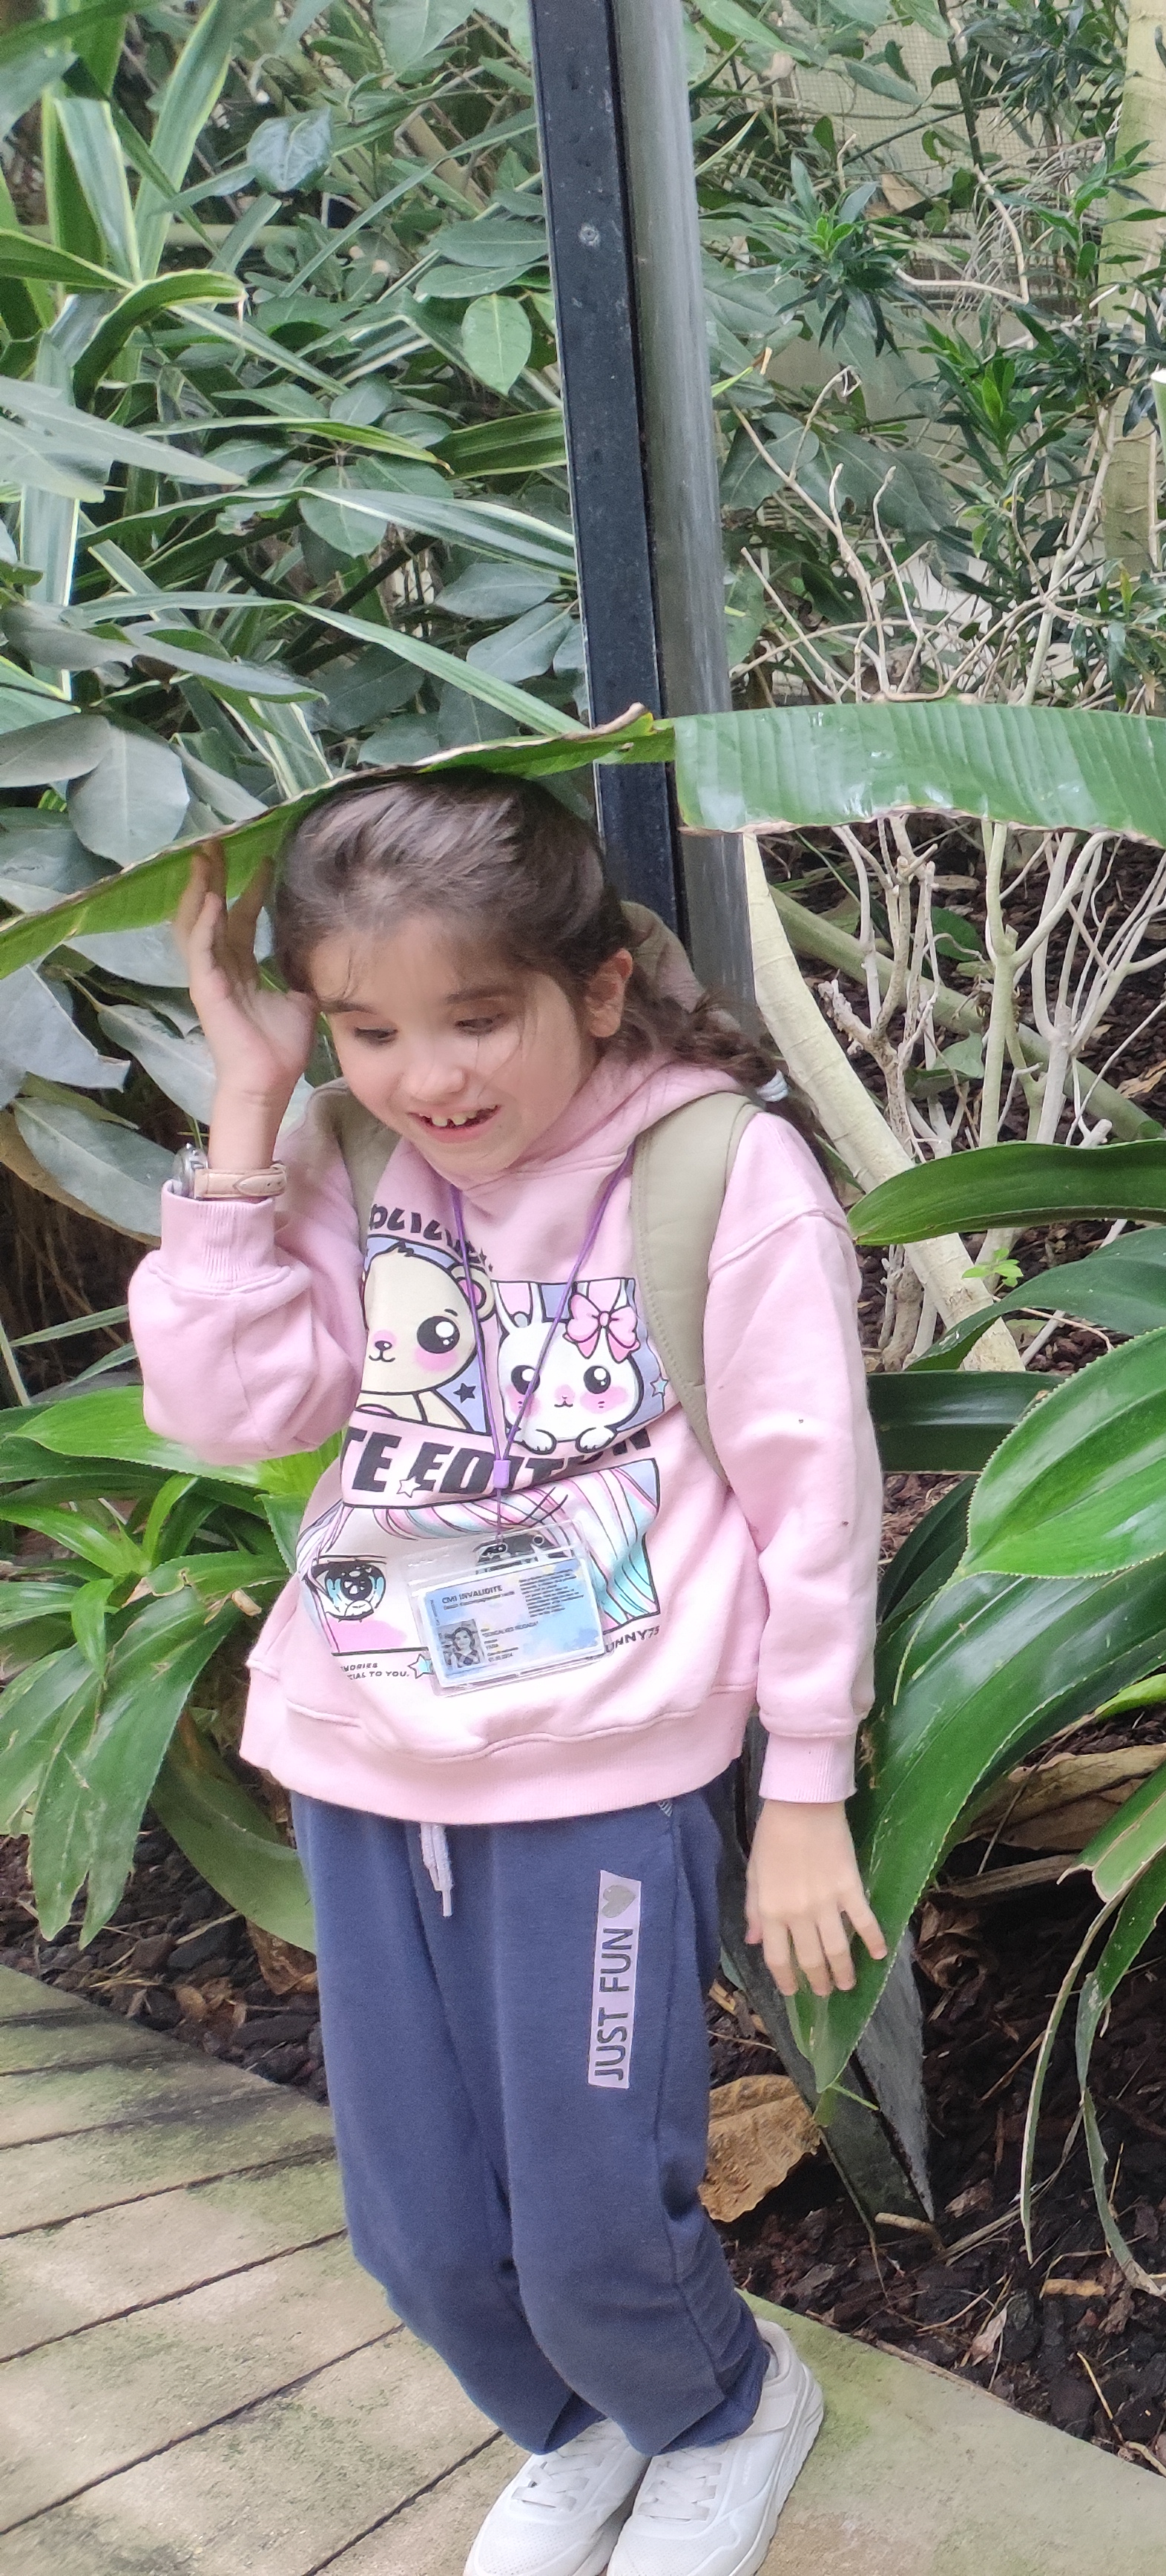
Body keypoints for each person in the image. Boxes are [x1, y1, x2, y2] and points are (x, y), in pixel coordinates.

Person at [133, 776, 887, 2576]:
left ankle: (712, 2402)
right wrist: (252, 1108)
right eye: (371, 1027)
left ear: (599, 986)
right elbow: (229, 1412)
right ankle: (576, 2423)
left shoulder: (717, 1172)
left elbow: (815, 1496)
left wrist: (803, 1785)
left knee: (585, 2222)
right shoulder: (346, 1155)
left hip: (600, 1777)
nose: (431, 1076)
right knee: (417, 2235)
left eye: (478, 1017)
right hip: (360, 1754)